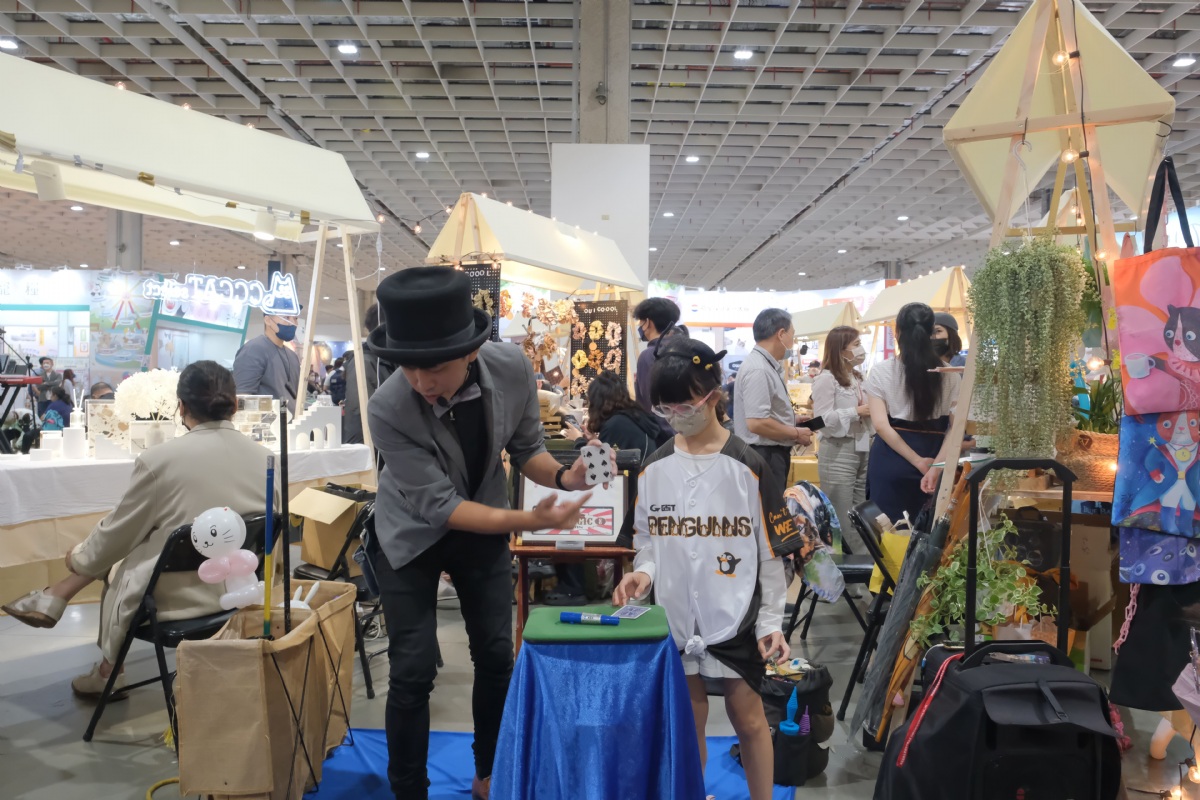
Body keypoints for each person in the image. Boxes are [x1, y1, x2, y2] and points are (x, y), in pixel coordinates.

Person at [366, 266, 609, 800]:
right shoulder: (387, 407)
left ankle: (491, 772)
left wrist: (567, 478)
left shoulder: (512, 367)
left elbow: (527, 450)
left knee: (497, 655)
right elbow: (442, 507)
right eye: (409, 367)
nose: (422, 382)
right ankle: (408, 789)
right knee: (412, 669)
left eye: (435, 367)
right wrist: (532, 522)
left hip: (483, 523)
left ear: (471, 351)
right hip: (410, 534)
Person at [1, 361, 275, 697]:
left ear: (181, 407)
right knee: (155, 534)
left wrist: (80, 558)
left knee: (129, 546)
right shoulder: (266, 458)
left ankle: (106, 669)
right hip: (244, 588)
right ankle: (57, 598)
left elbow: (118, 532)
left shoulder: (161, 460)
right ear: (234, 405)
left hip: (173, 597)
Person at [612, 337, 796, 800]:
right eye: (665, 409)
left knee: (748, 719)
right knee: (687, 721)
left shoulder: (748, 466)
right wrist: (643, 574)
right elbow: (647, 540)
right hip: (676, 616)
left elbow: (770, 552)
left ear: (713, 395)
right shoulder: (654, 468)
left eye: (684, 406)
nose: (676, 416)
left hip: (735, 615)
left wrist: (771, 621)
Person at [556, 372, 671, 605]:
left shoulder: (616, 424)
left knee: (567, 513)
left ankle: (573, 588)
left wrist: (579, 440)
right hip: (642, 498)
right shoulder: (635, 417)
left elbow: (597, 471)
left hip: (626, 508)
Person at [864, 303, 962, 526]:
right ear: (931, 334)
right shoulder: (950, 374)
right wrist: (936, 467)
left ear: (897, 332)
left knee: (889, 534)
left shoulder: (881, 372)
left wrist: (918, 462)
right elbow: (956, 428)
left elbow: (881, 425)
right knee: (931, 533)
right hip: (936, 456)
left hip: (892, 458)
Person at [733, 308, 813, 488]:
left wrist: (791, 420)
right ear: (781, 334)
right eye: (792, 335)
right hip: (765, 454)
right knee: (768, 504)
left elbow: (762, 414)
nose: (793, 341)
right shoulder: (759, 369)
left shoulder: (765, 365)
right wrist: (796, 433)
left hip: (768, 453)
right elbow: (757, 423)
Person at [811, 326, 872, 551]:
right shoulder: (826, 379)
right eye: (856, 344)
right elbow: (821, 420)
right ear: (841, 349)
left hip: (862, 446)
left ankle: (862, 563)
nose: (860, 349)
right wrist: (855, 412)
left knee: (859, 511)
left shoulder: (857, 377)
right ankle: (849, 568)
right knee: (841, 514)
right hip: (838, 450)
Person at [632, 297, 683, 437]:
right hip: (687, 430)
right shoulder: (684, 349)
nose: (640, 326)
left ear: (647, 322)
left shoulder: (649, 356)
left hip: (662, 435)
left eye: (640, 321)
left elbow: (652, 403)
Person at [232, 312, 301, 413]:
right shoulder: (254, 350)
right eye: (286, 317)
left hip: (291, 421)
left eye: (295, 318)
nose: (292, 322)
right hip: (266, 421)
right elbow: (242, 397)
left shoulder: (293, 356)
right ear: (268, 320)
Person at [343, 303, 390, 445]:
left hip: (387, 444)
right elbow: (359, 413)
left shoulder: (387, 360)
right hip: (372, 446)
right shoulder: (364, 362)